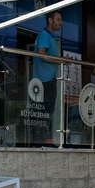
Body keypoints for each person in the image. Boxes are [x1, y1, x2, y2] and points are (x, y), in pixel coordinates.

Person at [33, 10, 62, 144]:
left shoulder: (49, 37)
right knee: (43, 112)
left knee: (45, 113)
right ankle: (41, 141)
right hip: (44, 81)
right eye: (58, 20)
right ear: (50, 21)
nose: (60, 23)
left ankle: (45, 140)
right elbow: (41, 54)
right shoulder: (44, 35)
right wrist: (59, 61)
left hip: (47, 79)